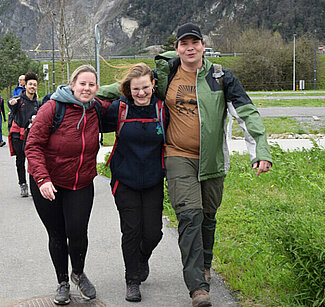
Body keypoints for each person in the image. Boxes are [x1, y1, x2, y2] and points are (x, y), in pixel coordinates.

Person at [155, 23, 272, 307]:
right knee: (190, 216)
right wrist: (82, 91)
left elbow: (246, 112)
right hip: (177, 155)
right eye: (184, 43)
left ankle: (205, 264)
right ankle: (198, 287)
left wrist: (261, 150)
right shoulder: (165, 74)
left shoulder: (220, 77)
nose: (190, 47)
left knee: (208, 217)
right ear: (177, 48)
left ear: (203, 47)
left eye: (195, 42)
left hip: (212, 161)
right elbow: (133, 87)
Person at [25, 65, 110, 305]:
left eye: (91, 84)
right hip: (48, 184)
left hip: (80, 182)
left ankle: (78, 274)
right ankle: (62, 282)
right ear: (72, 85)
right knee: (57, 234)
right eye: (82, 83)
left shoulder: (96, 109)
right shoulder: (52, 108)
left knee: (78, 232)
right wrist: (42, 179)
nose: (86, 88)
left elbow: (123, 102)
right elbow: (32, 145)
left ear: (96, 88)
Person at [99, 63, 167, 302]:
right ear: (129, 89)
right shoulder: (119, 109)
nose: (141, 93)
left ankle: (141, 259)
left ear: (153, 85)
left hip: (152, 180)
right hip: (124, 180)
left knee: (153, 232)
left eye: (145, 88)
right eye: (136, 89)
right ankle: (132, 280)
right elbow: (88, 119)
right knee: (131, 230)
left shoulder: (161, 109)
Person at [8, 72, 40, 197]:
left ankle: (34, 187)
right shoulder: (18, 100)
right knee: (20, 160)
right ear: (25, 86)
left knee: (33, 161)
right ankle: (22, 184)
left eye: (35, 85)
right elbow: (10, 102)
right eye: (30, 84)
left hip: (32, 136)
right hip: (18, 135)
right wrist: (11, 102)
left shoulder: (38, 104)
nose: (32, 86)